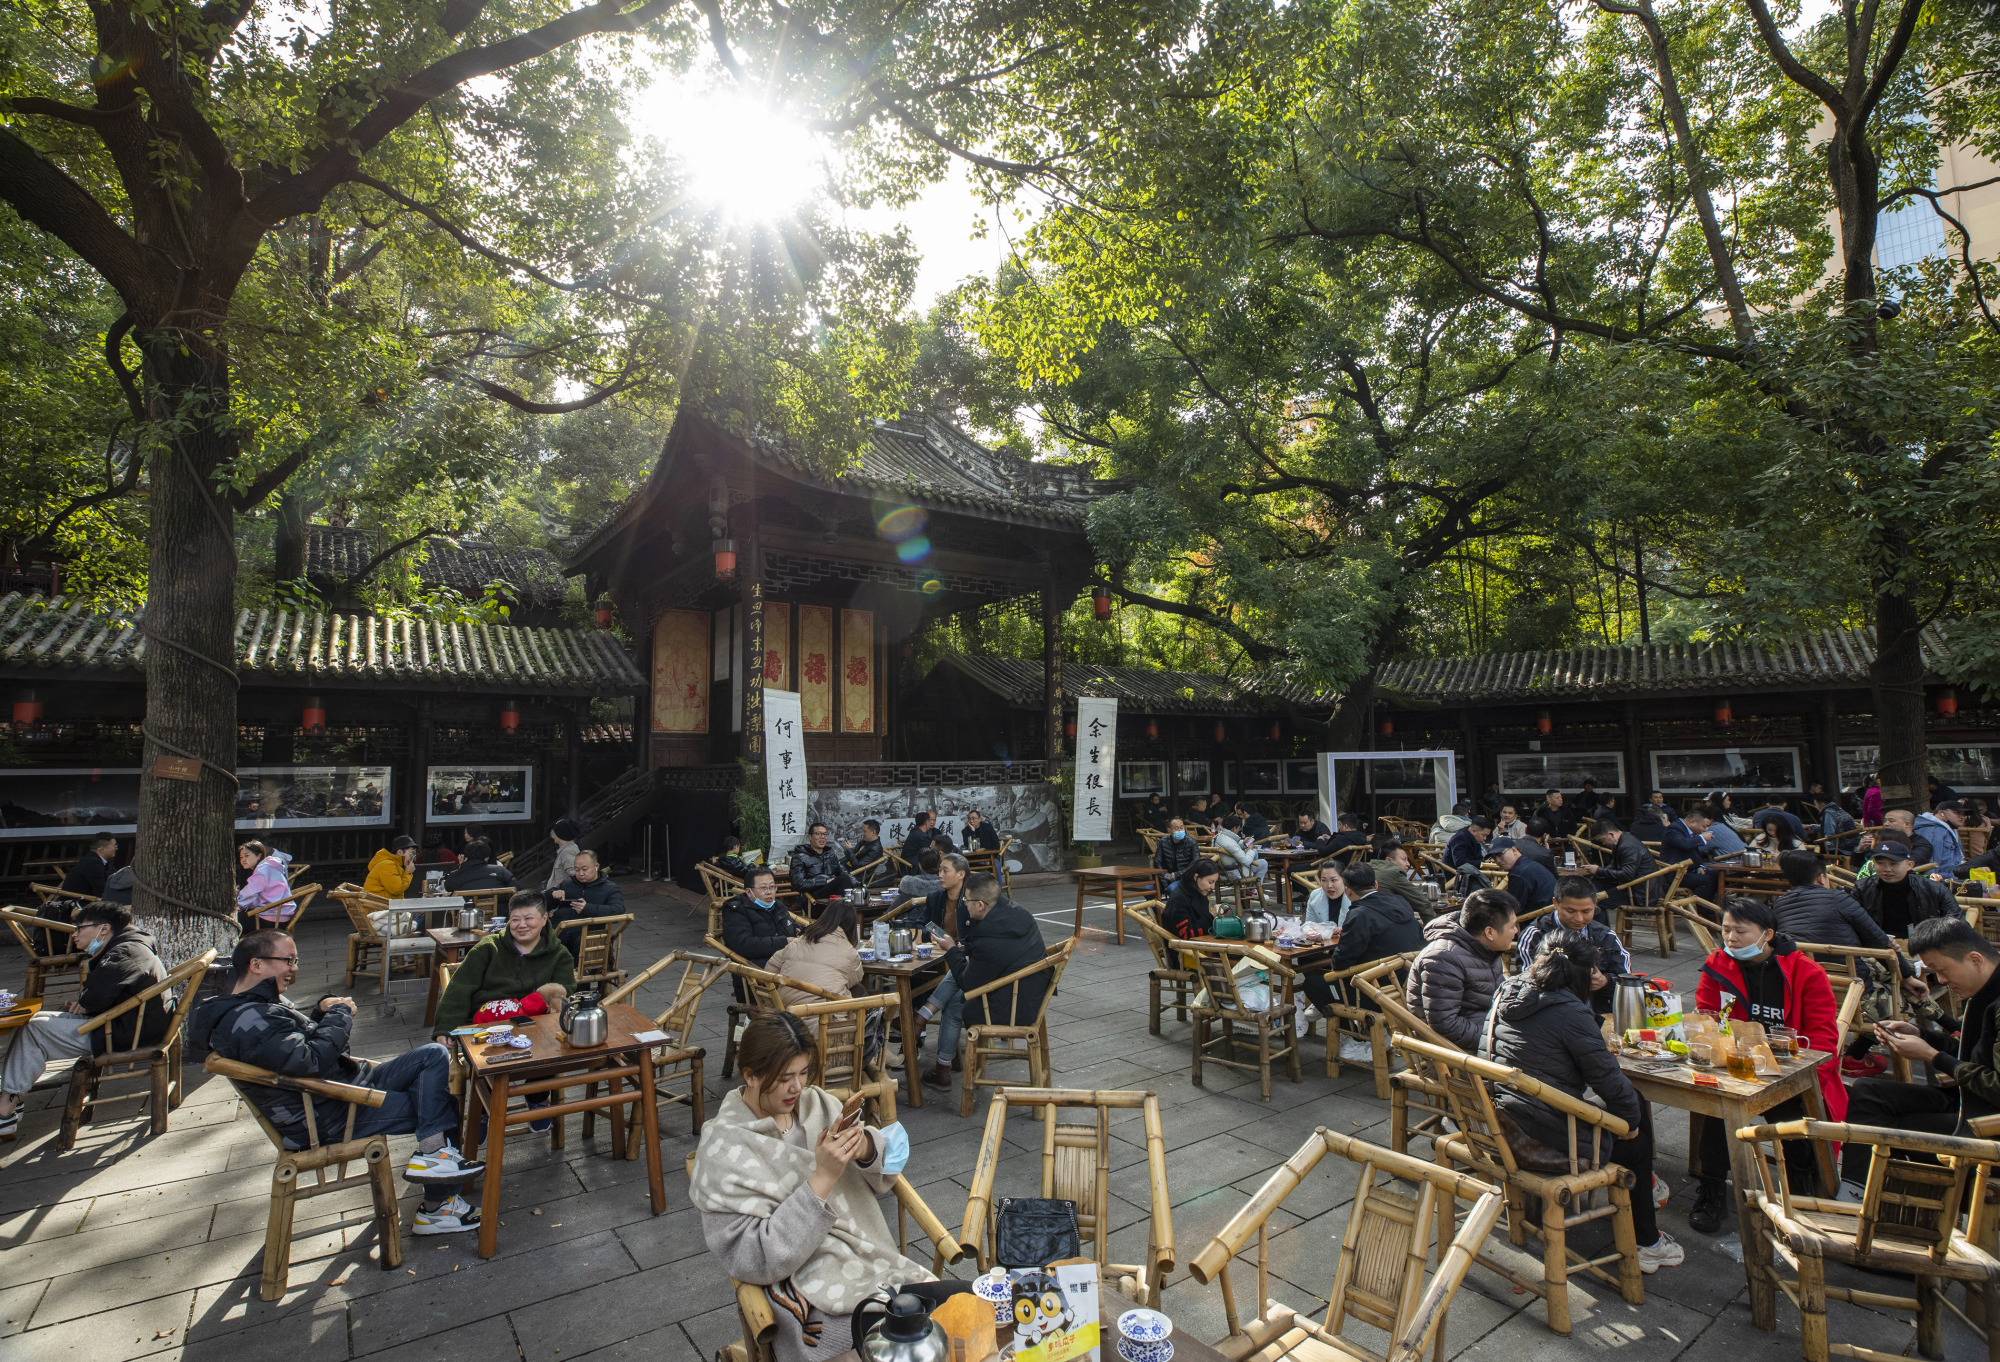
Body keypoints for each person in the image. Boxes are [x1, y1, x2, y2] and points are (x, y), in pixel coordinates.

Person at [689, 1012, 943, 1362]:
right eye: (784, 1078)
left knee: (961, 1312)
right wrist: (822, 1178)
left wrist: (866, 1147)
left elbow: (882, 1171)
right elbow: (754, 1258)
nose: (797, 1087)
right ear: (750, 1075)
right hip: (812, 1293)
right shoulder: (725, 1148)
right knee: (909, 1342)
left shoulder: (819, 1104)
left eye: (804, 1072)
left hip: (875, 1262)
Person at [197, 929, 485, 1234]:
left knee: (432, 1055)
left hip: (343, 1087)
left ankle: (434, 1158)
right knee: (440, 1106)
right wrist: (339, 1014)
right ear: (256, 964)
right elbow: (310, 1060)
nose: (295, 968)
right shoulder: (250, 1019)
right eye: (288, 960)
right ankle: (437, 1208)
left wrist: (319, 1010)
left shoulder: (253, 1006)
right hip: (331, 1114)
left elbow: (288, 1045)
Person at [1481, 931, 1682, 1272]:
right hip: (1539, 1133)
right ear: (1584, 975)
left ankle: (1644, 1190)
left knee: (1631, 1102)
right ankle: (1648, 1243)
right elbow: (1609, 1082)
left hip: (1500, 1115)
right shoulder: (1570, 1010)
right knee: (1634, 1136)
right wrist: (1628, 1127)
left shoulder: (1509, 988)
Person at [1687, 896, 1845, 1232]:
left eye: (1740, 932)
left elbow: (1823, 1043)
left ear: (1767, 934)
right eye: (1726, 930)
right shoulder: (1718, 965)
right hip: (1734, 1069)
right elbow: (1707, 1019)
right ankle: (1712, 1187)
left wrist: (1791, 1076)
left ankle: (1801, 1189)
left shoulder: (1805, 973)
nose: (1730, 938)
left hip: (1793, 1074)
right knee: (1718, 1107)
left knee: (1794, 1121)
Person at [1840, 917, 2000, 1191]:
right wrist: (1921, 1036)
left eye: (1942, 970)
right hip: (1968, 1100)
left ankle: (1892, 1206)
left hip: (1989, 1122)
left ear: (1975, 960)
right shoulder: (1984, 991)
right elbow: (1974, 1051)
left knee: (1888, 1126)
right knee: (1867, 1093)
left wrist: (1931, 1056)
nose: (1941, 980)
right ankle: (1856, 1193)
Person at [0, 901, 166, 1138]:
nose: (75, 934)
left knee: (35, 1029)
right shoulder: (129, 945)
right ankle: (12, 1097)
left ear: (103, 928)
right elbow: (94, 997)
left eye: (80, 928)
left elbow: (93, 997)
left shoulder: (124, 952)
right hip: (122, 1024)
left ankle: (6, 1107)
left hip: (123, 1033)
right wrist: (86, 1001)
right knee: (34, 1021)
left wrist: (86, 1001)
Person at [922, 873, 1046, 1090]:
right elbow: (989, 952)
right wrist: (963, 949)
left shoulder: (990, 938)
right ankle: (922, 1018)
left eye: (966, 901)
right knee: (966, 962)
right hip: (1031, 990)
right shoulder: (1016, 913)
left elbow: (968, 984)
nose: (964, 905)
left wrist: (951, 949)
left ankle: (941, 1068)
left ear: (980, 905)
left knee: (955, 1006)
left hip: (1013, 1006)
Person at [431, 891, 576, 1044]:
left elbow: (564, 995)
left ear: (544, 918)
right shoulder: (488, 948)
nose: (522, 925)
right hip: (486, 1028)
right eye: (515, 920)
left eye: (529, 918)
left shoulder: (559, 955)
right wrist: (445, 1028)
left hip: (537, 1027)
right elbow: (459, 989)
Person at [1407, 889, 1519, 1051]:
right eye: (1512, 926)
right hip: (1454, 1052)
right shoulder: (1443, 958)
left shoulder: (1485, 947)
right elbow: (1446, 1025)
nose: (1516, 931)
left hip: (1487, 1026)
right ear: (1489, 932)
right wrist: (1498, 1038)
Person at [1516, 878, 1631, 1016]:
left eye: (1586, 911)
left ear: (1595, 904)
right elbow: (1528, 986)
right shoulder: (1535, 935)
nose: (1579, 919)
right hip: (1550, 1015)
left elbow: (1628, 985)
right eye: (1570, 911)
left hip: (1597, 1014)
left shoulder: (1606, 936)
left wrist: (1605, 982)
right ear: (1556, 903)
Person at [1328, 860, 1425, 978]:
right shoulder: (1400, 901)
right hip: (1414, 976)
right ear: (1376, 885)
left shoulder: (1359, 915)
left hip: (1377, 985)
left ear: (1348, 891)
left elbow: (1340, 963)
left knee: (1312, 984)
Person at [768, 899, 866, 1011]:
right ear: (851, 926)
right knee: (859, 991)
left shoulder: (798, 942)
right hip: (824, 1016)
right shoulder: (849, 951)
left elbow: (770, 968)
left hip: (787, 1013)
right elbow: (857, 977)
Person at [1853, 841, 1962, 936]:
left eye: (1893, 864)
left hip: (1925, 943)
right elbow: (1851, 921)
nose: (1887, 869)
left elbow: (1956, 923)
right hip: (1877, 945)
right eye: (1880, 863)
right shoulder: (1862, 888)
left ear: (1910, 865)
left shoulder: (1934, 889)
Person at [548, 849, 625, 958]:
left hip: (586, 937)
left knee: (580, 944)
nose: (580, 873)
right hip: (559, 932)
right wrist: (552, 894)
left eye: (584, 869)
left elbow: (619, 911)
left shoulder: (610, 888)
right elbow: (544, 905)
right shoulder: (567, 884)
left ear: (596, 866)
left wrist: (588, 908)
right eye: (576, 869)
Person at [724, 868, 799, 971]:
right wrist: (784, 941)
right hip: (756, 971)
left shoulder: (777, 905)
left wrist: (799, 931)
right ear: (749, 892)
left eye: (772, 887)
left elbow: (791, 925)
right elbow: (743, 945)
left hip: (786, 960)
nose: (769, 892)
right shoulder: (736, 911)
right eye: (763, 888)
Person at [1587, 820, 1660, 925]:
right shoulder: (1623, 841)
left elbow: (1627, 874)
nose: (1604, 844)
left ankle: (1601, 936)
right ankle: (1601, 933)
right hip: (1633, 886)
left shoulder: (1627, 846)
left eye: (1603, 840)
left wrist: (1599, 870)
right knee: (1593, 886)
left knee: (1597, 902)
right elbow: (1615, 867)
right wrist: (1598, 872)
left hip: (1640, 893)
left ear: (1611, 834)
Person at [1658, 805, 1720, 901]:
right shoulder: (1673, 829)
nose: (1705, 830)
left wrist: (1700, 866)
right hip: (1675, 873)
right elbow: (1684, 844)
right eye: (1704, 826)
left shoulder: (1690, 832)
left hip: (1688, 870)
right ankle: (1702, 911)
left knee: (1718, 874)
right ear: (1693, 821)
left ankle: (1715, 904)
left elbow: (1692, 853)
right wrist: (1702, 838)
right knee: (1707, 881)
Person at [791, 823, 857, 905]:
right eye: (818, 834)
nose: (822, 837)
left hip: (832, 897)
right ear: (810, 837)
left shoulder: (830, 854)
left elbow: (843, 872)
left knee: (847, 879)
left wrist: (859, 885)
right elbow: (798, 884)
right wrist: (825, 881)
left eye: (825, 834)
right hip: (813, 901)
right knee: (843, 880)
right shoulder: (799, 857)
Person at [238, 840, 298, 928]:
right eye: (241, 857)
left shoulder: (263, 870)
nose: (243, 860)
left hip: (272, 919)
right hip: (280, 915)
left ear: (259, 855)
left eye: (246, 856)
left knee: (232, 920)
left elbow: (249, 894)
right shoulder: (268, 866)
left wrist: (234, 905)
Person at [1369, 841, 1433, 919]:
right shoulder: (1394, 872)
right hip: (1387, 923)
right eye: (1404, 859)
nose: (1408, 864)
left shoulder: (1371, 868)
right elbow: (1423, 903)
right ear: (1389, 861)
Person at [1491, 837, 1555, 915]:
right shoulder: (1526, 864)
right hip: (1550, 915)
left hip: (1540, 921)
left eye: (1500, 855)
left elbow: (1513, 909)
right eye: (1494, 857)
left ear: (1514, 850)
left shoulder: (1519, 873)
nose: (1497, 861)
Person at [1161, 859, 1220, 939]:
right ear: (1196, 877)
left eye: (1214, 883)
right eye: (1210, 882)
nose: (1212, 887)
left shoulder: (1198, 891)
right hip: (1183, 948)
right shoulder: (1179, 899)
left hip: (1199, 943)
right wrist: (1211, 916)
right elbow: (1186, 934)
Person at [1915, 800, 1967, 879]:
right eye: (1956, 813)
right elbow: (1931, 864)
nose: (1962, 817)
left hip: (1953, 878)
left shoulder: (1951, 829)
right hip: (1942, 882)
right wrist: (1935, 886)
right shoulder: (1934, 831)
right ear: (1941, 813)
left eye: (1963, 814)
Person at [1212, 815, 1269, 884]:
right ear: (1234, 828)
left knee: (1254, 852)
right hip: (1234, 872)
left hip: (1224, 870)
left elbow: (1233, 848)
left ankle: (1251, 887)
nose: (1239, 830)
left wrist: (1243, 842)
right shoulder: (1229, 843)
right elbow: (1246, 861)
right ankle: (1253, 889)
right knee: (1263, 863)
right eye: (1239, 828)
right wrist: (1250, 849)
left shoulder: (1219, 836)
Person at [444, 838, 515, 893]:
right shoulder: (500, 870)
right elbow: (516, 887)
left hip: (467, 910)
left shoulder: (456, 875)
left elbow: (447, 888)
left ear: (466, 857)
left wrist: (460, 866)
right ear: (486, 858)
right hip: (499, 910)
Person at [60, 833, 116, 900]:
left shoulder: (90, 859)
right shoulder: (94, 864)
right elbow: (101, 893)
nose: (116, 848)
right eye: (114, 845)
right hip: (78, 905)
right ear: (102, 849)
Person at [1443, 816, 1494, 889]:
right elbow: (1460, 862)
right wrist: (1483, 863)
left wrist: (1485, 861)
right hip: (1458, 878)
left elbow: (1478, 858)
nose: (1485, 838)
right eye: (1483, 835)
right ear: (1473, 830)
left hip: (1470, 874)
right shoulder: (1460, 838)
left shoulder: (1473, 838)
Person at [364, 834, 418, 899]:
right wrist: (408, 873)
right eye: (412, 853)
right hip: (377, 907)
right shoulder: (387, 865)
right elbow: (397, 889)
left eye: (414, 855)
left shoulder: (396, 865)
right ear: (400, 852)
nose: (413, 858)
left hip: (383, 906)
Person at [1304, 861, 1352, 928]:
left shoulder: (1354, 896)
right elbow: (1309, 926)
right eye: (1324, 880)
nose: (1329, 885)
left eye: (1333, 880)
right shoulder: (1315, 896)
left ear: (1344, 879)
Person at [543, 818, 582, 892]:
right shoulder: (568, 849)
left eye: (555, 831)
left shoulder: (567, 851)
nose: (553, 834)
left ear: (561, 833)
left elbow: (575, 876)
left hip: (561, 898)